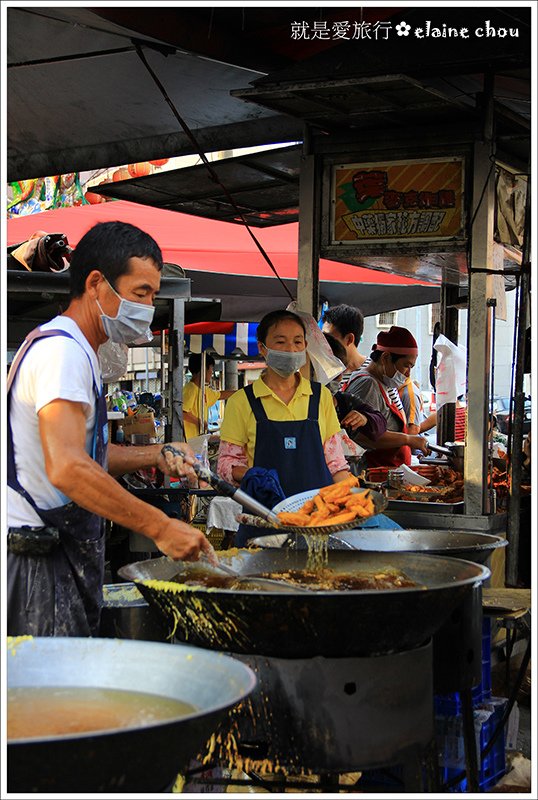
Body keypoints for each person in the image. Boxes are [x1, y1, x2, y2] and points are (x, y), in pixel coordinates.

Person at [7, 221, 214, 637]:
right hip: (37, 563)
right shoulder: (62, 353)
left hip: (57, 555)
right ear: (97, 283)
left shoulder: (79, 350)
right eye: (141, 293)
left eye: (154, 295)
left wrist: (154, 453)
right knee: (51, 698)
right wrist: (160, 526)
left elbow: (85, 455)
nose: (148, 306)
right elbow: (66, 468)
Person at [217, 310, 351, 545]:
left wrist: (354, 496)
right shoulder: (242, 401)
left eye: (297, 342)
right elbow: (226, 465)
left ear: (305, 346)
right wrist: (253, 475)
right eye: (280, 342)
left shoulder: (321, 398)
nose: (290, 349)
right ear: (262, 348)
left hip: (316, 522)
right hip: (263, 521)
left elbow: (335, 463)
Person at [345, 326, 429, 467]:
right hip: (374, 471)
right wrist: (408, 439)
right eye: (406, 366)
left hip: (390, 470)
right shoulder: (367, 384)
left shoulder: (386, 382)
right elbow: (363, 436)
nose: (408, 374)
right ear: (386, 358)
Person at [182, 353, 235, 440]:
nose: (211, 373)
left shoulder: (204, 389)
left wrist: (242, 392)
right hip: (190, 441)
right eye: (211, 369)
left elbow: (220, 395)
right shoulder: (191, 389)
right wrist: (199, 422)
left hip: (198, 439)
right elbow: (183, 412)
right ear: (203, 370)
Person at [322, 304, 366, 383]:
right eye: (323, 336)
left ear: (349, 339)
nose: (323, 342)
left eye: (329, 338)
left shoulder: (376, 373)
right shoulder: (321, 373)